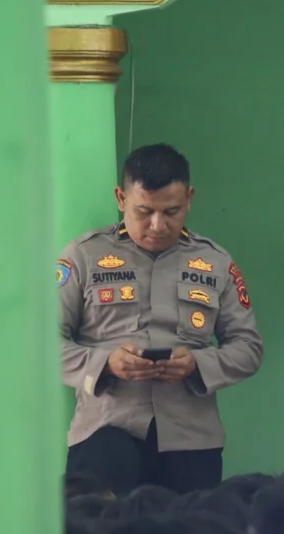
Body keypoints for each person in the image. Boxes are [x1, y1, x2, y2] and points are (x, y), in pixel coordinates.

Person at [59, 143, 264, 495]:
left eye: (172, 211)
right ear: (121, 198)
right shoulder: (84, 256)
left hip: (190, 440)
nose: (157, 225)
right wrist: (105, 363)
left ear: (190, 198)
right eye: (144, 211)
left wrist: (198, 364)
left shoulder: (214, 261)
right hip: (104, 433)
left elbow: (248, 348)